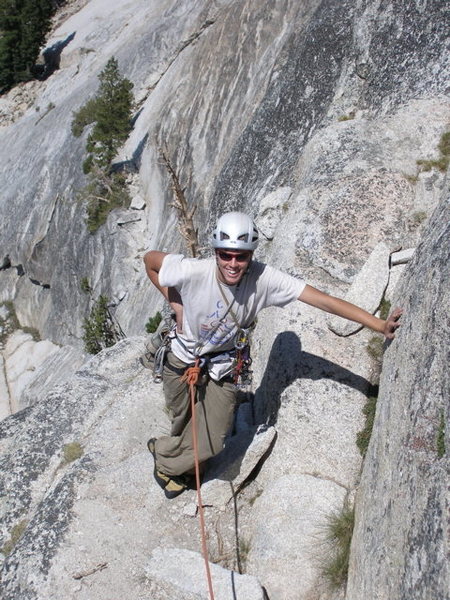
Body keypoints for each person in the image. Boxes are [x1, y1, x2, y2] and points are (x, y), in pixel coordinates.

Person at [143, 212, 402, 498]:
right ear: (215, 253)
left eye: (240, 257)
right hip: (182, 360)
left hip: (222, 365)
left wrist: (379, 325)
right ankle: (179, 457)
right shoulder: (193, 271)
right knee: (182, 418)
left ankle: (166, 462)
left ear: (251, 255)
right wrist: (175, 302)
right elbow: (151, 261)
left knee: (214, 441)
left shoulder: (264, 279)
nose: (232, 263)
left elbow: (324, 301)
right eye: (225, 255)